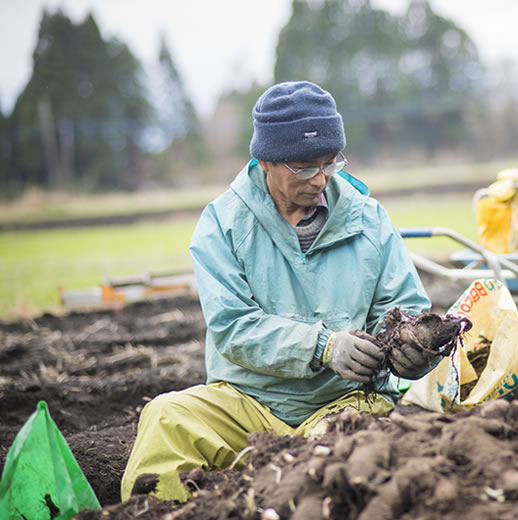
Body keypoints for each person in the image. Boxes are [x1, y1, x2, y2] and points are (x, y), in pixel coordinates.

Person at [120, 80, 437, 502]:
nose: (320, 179)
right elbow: (233, 328)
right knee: (165, 418)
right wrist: (324, 347)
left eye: (330, 162)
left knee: (345, 452)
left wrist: (412, 349)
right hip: (247, 402)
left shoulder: (370, 219)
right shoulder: (223, 224)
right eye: (305, 167)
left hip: (344, 402)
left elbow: (404, 309)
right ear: (265, 160)